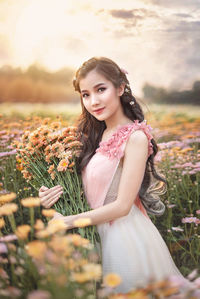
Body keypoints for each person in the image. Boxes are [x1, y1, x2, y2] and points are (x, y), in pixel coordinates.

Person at [39, 57, 192, 294]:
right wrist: (53, 193)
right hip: (91, 229)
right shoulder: (95, 133)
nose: (93, 101)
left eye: (101, 89)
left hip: (122, 236)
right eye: (86, 94)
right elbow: (88, 188)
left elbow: (122, 206)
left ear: (120, 88)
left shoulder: (136, 138)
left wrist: (67, 222)